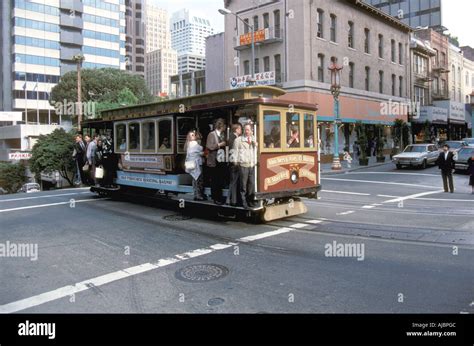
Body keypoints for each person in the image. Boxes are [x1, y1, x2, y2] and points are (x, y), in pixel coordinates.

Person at [234, 123, 257, 208]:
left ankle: (250, 200)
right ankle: (243, 202)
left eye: (248, 130)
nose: (246, 131)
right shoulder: (238, 140)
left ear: (251, 130)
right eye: (245, 129)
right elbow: (235, 152)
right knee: (243, 185)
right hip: (243, 165)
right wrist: (236, 163)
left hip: (252, 164)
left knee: (251, 184)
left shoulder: (254, 139)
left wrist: (256, 144)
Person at [206, 118, 227, 205]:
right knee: (214, 180)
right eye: (224, 125)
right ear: (221, 126)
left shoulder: (222, 134)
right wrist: (219, 144)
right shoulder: (211, 134)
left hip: (220, 161)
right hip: (214, 161)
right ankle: (215, 198)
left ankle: (220, 197)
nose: (225, 127)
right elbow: (209, 146)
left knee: (220, 180)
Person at [185, 130, 205, 201]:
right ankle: (199, 195)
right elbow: (201, 149)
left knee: (194, 180)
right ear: (190, 138)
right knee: (199, 179)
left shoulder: (188, 145)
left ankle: (195, 194)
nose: (194, 135)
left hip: (191, 164)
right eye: (192, 135)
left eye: (194, 134)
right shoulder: (195, 144)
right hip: (197, 164)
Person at [227, 123, 242, 206]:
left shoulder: (233, 137)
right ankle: (233, 201)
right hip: (234, 162)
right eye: (240, 129)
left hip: (234, 162)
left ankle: (229, 200)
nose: (241, 130)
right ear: (236, 129)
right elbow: (233, 151)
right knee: (234, 182)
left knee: (233, 181)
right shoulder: (233, 138)